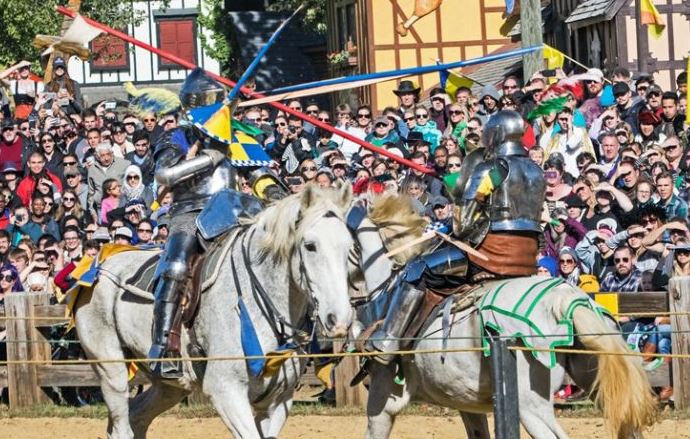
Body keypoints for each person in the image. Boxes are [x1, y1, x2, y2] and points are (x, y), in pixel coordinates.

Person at [366, 110, 545, 364]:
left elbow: (466, 218)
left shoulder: (495, 169)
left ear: (495, 134)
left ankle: (389, 339)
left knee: (417, 268)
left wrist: (456, 204)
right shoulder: (535, 170)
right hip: (528, 255)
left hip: (492, 253)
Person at [147, 69, 256, 379]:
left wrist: (277, 196)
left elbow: (259, 175)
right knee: (178, 265)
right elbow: (164, 176)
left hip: (233, 209)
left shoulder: (235, 135)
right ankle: (164, 345)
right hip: (190, 212)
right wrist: (209, 157)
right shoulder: (177, 136)